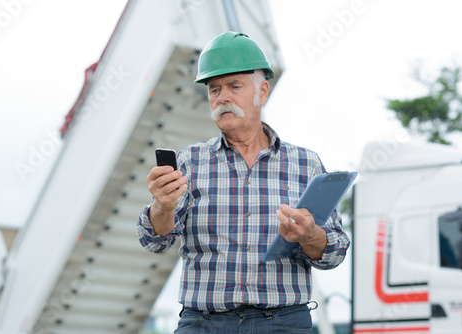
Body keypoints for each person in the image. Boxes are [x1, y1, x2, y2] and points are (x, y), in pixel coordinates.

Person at [137, 31, 350, 334]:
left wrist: (310, 234)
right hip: (204, 323)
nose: (222, 97)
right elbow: (154, 241)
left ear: (262, 92)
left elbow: (334, 254)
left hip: (283, 323)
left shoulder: (306, 164)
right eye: (214, 89)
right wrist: (162, 206)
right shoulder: (189, 162)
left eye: (234, 86)